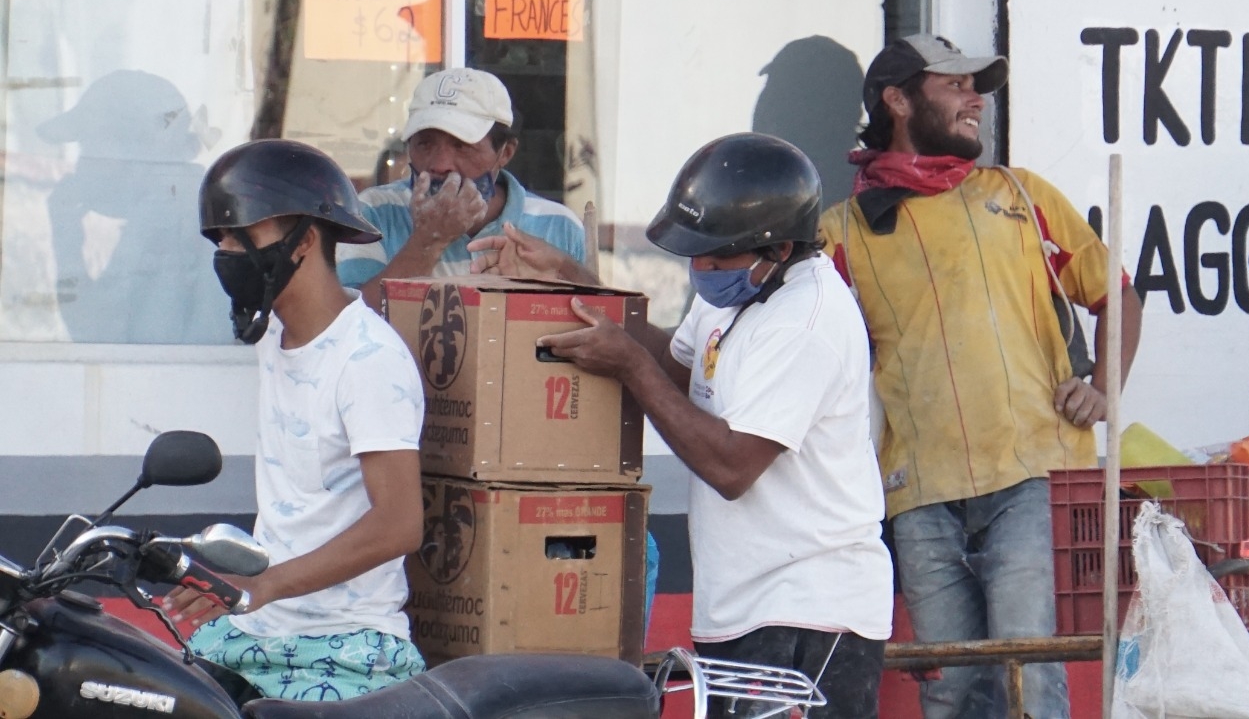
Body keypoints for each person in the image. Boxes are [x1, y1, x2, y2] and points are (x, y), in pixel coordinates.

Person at [490, 133, 893, 718]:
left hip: (809, 610)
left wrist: (627, 365)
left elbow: (731, 467)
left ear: (778, 248)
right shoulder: (738, 290)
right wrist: (571, 280)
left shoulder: (806, 323)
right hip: (741, 600)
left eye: (716, 256)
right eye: (695, 253)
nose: (700, 267)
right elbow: (678, 367)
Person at [817, 33, 1144, 718]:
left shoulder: (1019, 194)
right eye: (957, 85)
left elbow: (1116, 290)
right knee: (955, 693)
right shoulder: (838, 233)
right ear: (898, 101)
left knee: (1033, 677)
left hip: (1029, 475)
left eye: (979, 88)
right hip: (916, 491)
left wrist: (1105, 389)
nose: (977, 100)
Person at [164, 139, 428, 701]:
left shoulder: (367, 360)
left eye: (243, 236)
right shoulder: (275, 336)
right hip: (258, 632)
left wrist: (263, 585)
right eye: (221, 239)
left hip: (345, 648)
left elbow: (401, 523)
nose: (228, 252)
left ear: (305, 239)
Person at [336, 67, 585, 307]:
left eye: (462, 146)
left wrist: (565, 269)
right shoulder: (371, 213)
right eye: (425, 144)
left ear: (505, 153)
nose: (440, 164)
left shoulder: (557, 224)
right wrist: (428, 241)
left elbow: (596, 320)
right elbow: (349, 326)